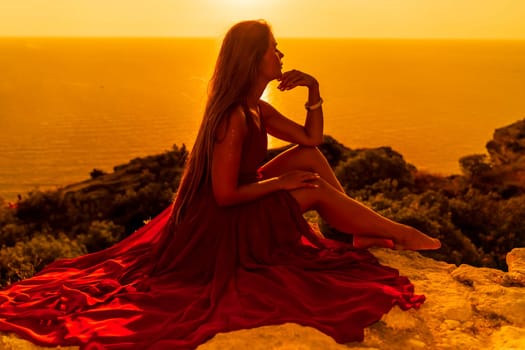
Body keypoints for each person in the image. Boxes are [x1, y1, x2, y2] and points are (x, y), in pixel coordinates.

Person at [0, 20, 440, 349]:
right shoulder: (233, 116)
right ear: (253, 59)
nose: (282, 57)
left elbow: (312, 139)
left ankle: (352, 230)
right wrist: (281, 183)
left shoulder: (257, 108)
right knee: (311, 185)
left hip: (241, 201)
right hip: (219, 224)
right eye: (274, 50)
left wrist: (314, 91)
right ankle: (394, 232)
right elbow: (224, 195)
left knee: (309, 159)